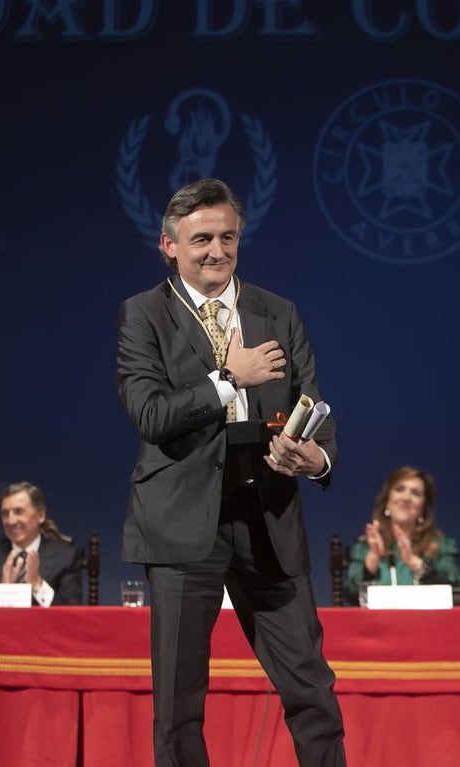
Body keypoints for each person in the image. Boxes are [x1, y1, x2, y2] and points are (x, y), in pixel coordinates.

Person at [116, 178, 346, 767]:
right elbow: (151, 414)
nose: (216, 251)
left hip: (268, 517)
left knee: (313, 692)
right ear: (169, 245)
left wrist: (315, 457)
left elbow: (314, 407)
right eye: (201, 240)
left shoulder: (278, 311)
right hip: (182, 526)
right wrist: (228, 378)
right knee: (179, 708)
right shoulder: (144, 315)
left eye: (227, 237)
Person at [344, 466, 460, 606]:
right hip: (378, 620)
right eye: (400, 489)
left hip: (427, 619)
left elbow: (454, 589)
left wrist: (414, 562)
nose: (406, 498)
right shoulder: (364, 547)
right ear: (387, 500)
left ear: (424, 508)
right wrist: (373, 558)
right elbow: (352, 595)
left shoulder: (442, 546)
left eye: (416, 493)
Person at [0, 481, 84, 606]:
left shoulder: (66, 558)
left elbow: (70, 612)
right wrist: (3, 592)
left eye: (18, 511)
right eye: (5, 513)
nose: (11, 521)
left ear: (40, 515)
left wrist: (37, 584)